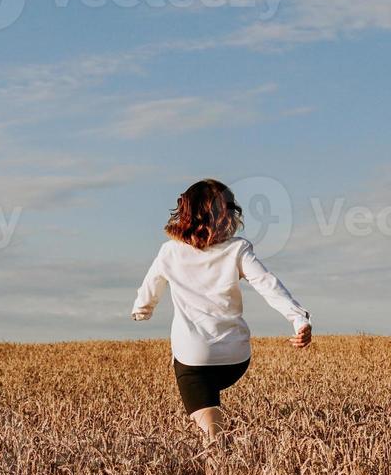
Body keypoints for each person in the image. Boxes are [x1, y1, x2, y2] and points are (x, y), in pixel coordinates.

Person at [131, 179, 312, 448]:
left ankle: (221, 469)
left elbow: (150, 289)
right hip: (235, 357)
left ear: (186, 212)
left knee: (211, 436)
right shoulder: (237, 249)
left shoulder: (169, 252)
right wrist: (299, 319)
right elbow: (268, 284)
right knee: (209, 394)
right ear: (226, 214)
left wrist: (141, 310)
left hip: (195, 359)